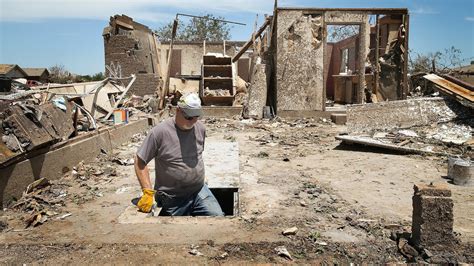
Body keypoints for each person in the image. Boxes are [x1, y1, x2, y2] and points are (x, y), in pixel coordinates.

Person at [134, 92, 224, 216]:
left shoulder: (200, 129)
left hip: (199, 191)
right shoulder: (159, 133)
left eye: (196, 116)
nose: (193, 121)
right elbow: (140, 161)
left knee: (218, 219)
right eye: (189, 117)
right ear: (178, 111)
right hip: (172, 198)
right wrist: (147, 192)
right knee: (176, 232)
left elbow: (197, 156)